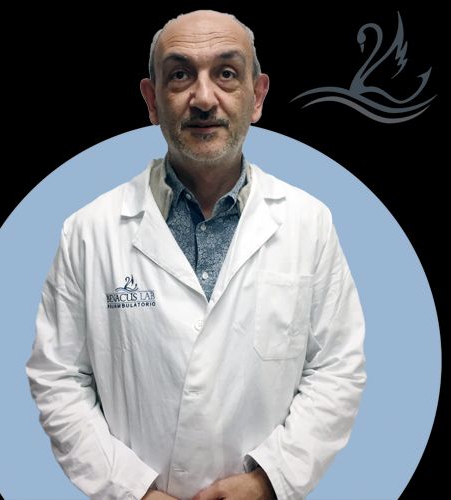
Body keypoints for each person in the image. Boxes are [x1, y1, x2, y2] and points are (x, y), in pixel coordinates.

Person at [26, 9, 366, 500]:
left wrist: (269, 480)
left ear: (257, 96)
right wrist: (132, 490)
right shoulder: (88, 231)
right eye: (181, 75)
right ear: (152, 100)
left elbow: (336, 368)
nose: (204, 99)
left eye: (226, 73)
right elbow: (57, 378)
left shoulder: (309, 223)